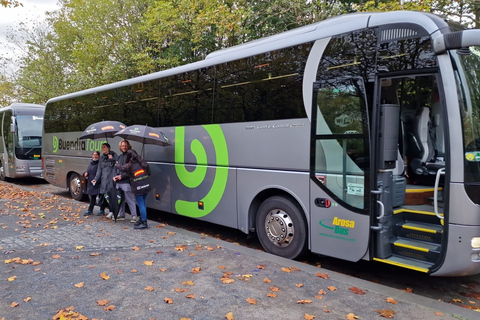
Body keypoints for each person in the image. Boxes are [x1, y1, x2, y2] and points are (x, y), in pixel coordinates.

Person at [116, 149, 151, 229]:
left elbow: (121, 168)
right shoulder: (143, 162)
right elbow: (149, 173)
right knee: (143, 203)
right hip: (146, 185)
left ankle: (144, 223)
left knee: (141, 204)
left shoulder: (129, 165)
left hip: (138, 187)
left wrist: (116, 164)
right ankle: (142, 219)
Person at [111, 140, 139, 223]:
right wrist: (115, 176)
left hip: (126, 181)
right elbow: (116, 168)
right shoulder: (119, 157)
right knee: (121, 199)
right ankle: (121, 214)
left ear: (128, 146)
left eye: (125, 145)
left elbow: (131, 170)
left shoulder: (130, 157)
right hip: (118, 182)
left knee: (129, 199)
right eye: (122, 146)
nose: (124, 147)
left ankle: (134, 216)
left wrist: (121, 176)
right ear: (120, 147)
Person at [91, 143, 118, 216]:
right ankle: (103, 210)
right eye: (102, 147)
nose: (103, 149)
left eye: (104, 147)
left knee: (111, 195)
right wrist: (96, 179)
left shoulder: (114, 155)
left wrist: (112, 159)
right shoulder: (102, 158)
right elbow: (99, 170)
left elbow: (118, 165)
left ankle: (112, 211)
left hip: (111, 179)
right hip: (104, 180)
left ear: (108, 148)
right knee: (104, 195)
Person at [83, 151, 100, 216]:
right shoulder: (91, 163)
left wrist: (96, 179)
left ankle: (101, 209)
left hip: (97, 182)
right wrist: (85, 173)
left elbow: (99, 173)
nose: (95, 156)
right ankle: (90, 210)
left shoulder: (99, 164)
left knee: (101, 197)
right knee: (92, 197)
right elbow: (88, 171)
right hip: (91, 182)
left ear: (98, 156)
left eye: (96, 155)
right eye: (94, 154)